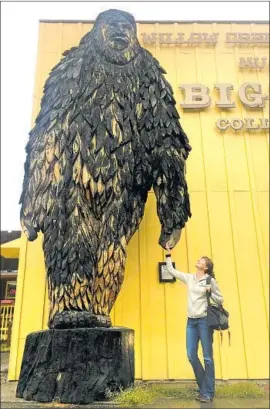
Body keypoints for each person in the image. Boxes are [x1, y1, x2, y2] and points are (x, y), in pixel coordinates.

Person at [165, 243, 224, 403]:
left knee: (207, 358)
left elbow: (220, 299)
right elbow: (171, 271)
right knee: (191, 355)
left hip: (204, 321)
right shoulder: (190, 278)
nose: (197, 261)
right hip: (191, 321)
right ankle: (204, 386)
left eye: (201, 260)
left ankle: (207, 393)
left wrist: (210, 292)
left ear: (205, 267)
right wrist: (168, 254)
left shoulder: (209, 280)